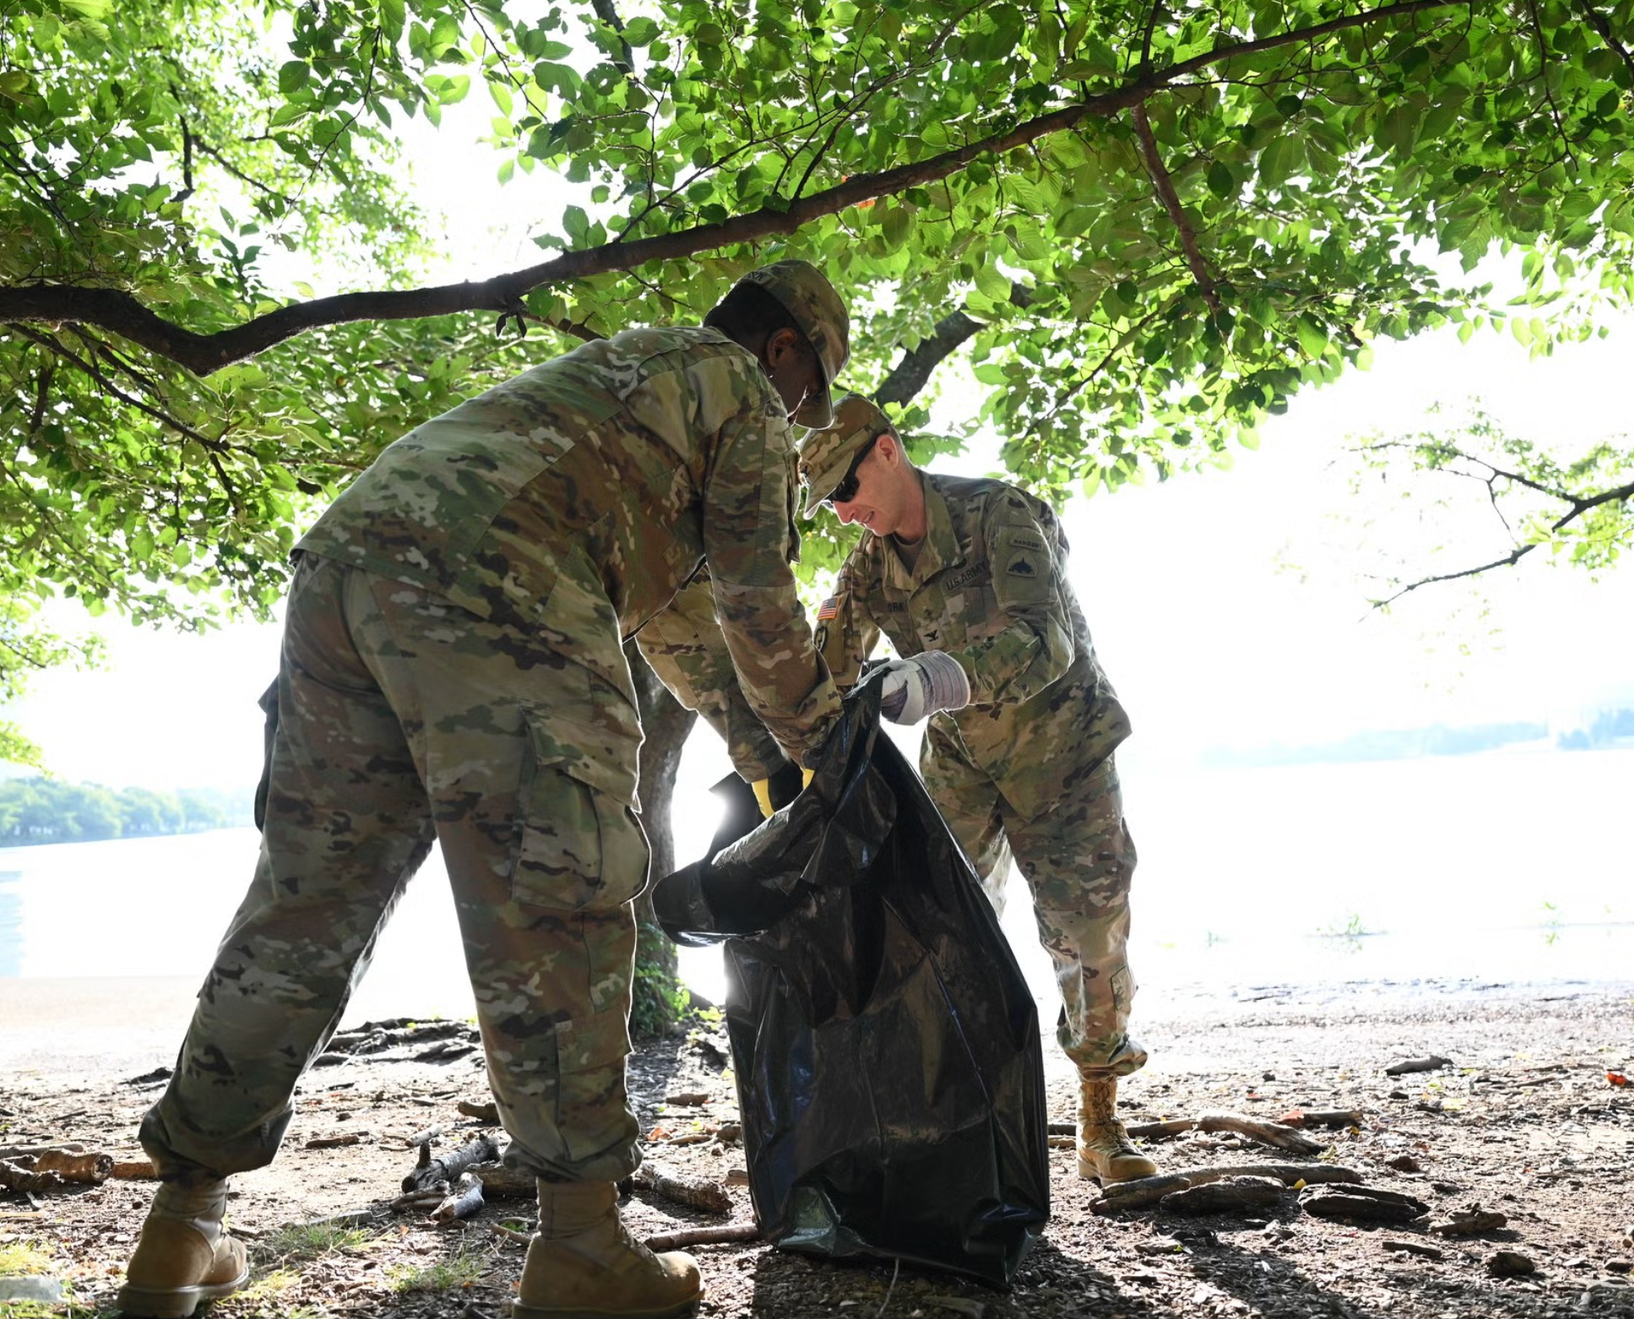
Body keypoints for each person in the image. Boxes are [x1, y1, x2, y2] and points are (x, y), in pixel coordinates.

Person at [116, 260, 851, 1319]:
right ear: (782, 350)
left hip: (347, 564)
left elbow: (680, 628)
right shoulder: (737, 387)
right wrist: (827, 741)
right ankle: (583, 1243)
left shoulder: (620, 391)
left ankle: (182, 1221)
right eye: (806, 391)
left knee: (308, 902)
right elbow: (757, 600)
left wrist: (761, 753)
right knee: (557, 897)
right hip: (498, 573)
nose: (798, 414)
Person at [657, 393, 1156, 1187]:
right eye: (829, 502)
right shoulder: (869, 567)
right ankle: (956, 1124)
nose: (844, 512)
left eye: (846, 489)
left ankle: (1101, 1120)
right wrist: (781, 749)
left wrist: (937, 676)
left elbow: (1047, 642)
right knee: (935, 931)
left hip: (1064, 757)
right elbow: (828, 668)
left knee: (1089, 939)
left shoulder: (1000, 515)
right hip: (961, 767)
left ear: (887, 451)